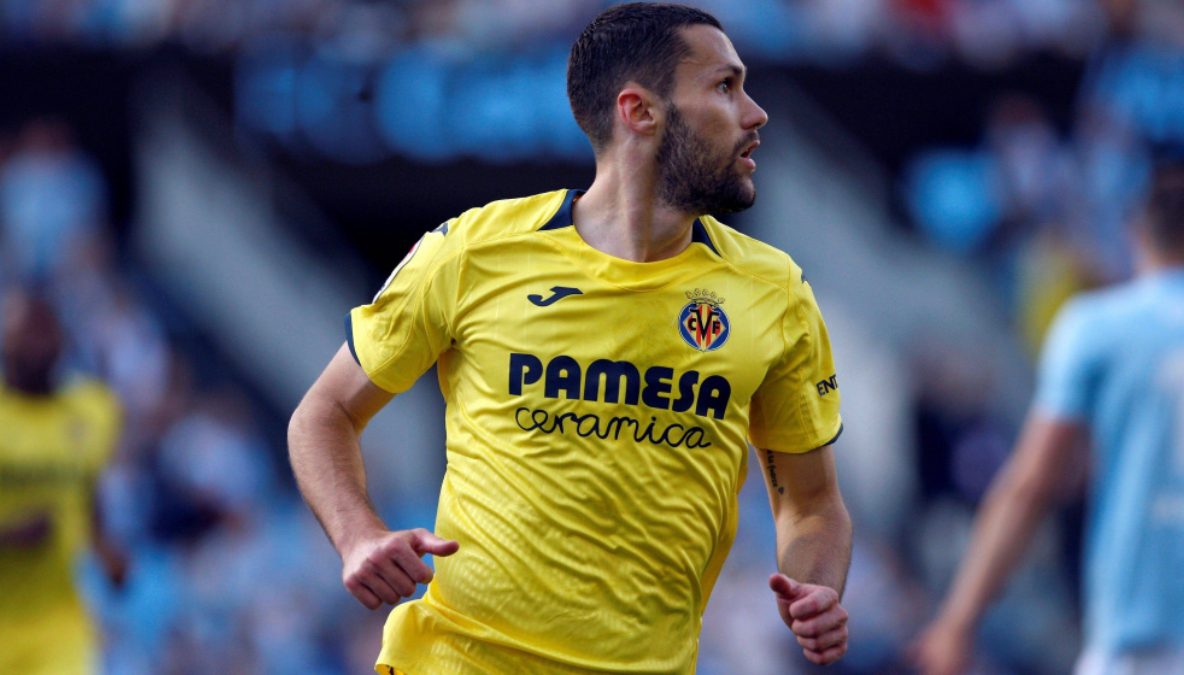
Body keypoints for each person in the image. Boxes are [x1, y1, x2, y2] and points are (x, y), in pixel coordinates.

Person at [289, 4, 852, 672]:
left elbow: (813, 504)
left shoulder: (775, 291)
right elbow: (323, 413)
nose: (754, 113)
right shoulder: (474, 251)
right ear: (639, 111)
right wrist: (358, 537)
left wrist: (817, 586)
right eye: (726, 87)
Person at [910, 160, 1184, 675]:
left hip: (1141, 638)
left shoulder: (1097, 328)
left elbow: (1031, 483)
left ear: (1135, 234)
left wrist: (958, 619)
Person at [0, 287, 126, 674]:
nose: (33, 345)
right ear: (1, 343)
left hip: (56, 623)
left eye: (41, 332)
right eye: (20, 335)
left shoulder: (93, 411)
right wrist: (9, 535)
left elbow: (86, 487)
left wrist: (102, 544)